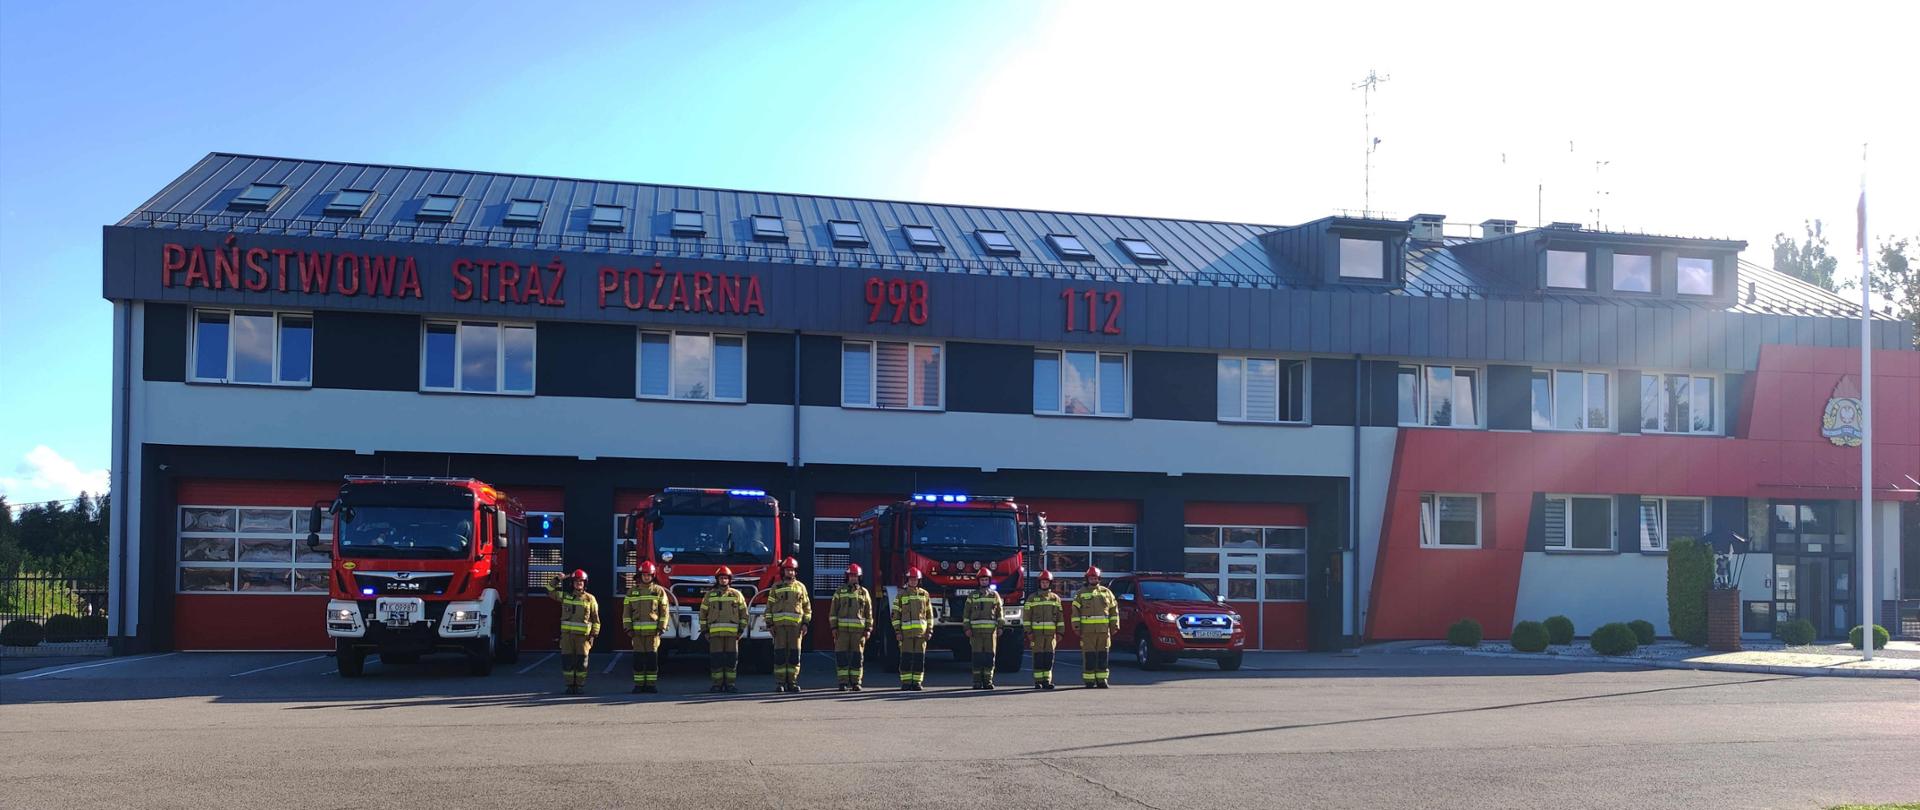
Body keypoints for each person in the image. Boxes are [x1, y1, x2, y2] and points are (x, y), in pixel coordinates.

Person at [545, 569, 599, 695]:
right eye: (576, 581)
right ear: (572, 583)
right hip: (567, 637)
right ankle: (570, 685)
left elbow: (596, 619)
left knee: (582, 663)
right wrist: (558, 579)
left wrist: (593, 635)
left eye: (581, 581)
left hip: (583, 638)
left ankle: (579, 686)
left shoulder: (590, 599)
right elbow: (549, 590)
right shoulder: (565, 596)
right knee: (567, 662)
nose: (578, 583)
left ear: (585, 583)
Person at [765, 557, 812, 692]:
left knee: (794, 655)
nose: (790, 573)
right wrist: (770, 624)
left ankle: (792, 682)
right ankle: (780, 682)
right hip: (779, 628)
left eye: (792, 570)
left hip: (796, 628)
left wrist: (805, 623)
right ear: (783, 571)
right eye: (787, 570)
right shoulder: (776, 587)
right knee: (780, 655)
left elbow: (807, 607)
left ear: (795, 572)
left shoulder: (800, 587)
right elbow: (769, 607)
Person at [624, 560, 671, 694]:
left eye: (648, 575)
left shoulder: (658, 591)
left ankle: (650, 685)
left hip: (653, 633)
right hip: (636, 633)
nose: (646, 577)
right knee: (638, 659)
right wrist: (628, 628)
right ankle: (639, 685)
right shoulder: (632, 592)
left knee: (651, 659)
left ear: (653, 576)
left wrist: (661, 627)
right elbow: (626, 612)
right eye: (644, 575)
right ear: (640, 576)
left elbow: (664, 611)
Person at [700, 566, 748, 692]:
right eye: (721, 578)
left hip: (733, 635)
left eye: (726, 578)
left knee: (731, 659)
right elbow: (703, 614)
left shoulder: (737, 595)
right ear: (717, 580)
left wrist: (741, 630)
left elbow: (744, 614)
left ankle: (730, 684)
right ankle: (717, 684)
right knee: (717, 660)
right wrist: (705, 631)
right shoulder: (709, 595)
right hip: (714, 634)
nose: (723, 580)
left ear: (729, 580)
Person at [1071, 566, 1118, 688]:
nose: (1093, 579)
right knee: (1089, 656)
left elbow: (1114, 610)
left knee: (1103, 655)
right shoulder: (1081, 594)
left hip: (1103, 631)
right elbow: (1075, 612)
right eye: (1091, 578)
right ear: (1087, 579)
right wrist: (1076, 627)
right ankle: (1089, 680)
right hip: (1087, 632)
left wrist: (1114, 626)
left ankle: (1102, 680)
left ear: (1099, 578)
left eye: (1095, 577)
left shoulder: (1106, 592)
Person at [830, 564, 873, 691]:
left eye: (855, 576)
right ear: (847, 577)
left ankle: (856, 682)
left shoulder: (864, 593)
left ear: (859, 578)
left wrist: (868, 629)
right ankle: (842, 682)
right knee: (841, 656)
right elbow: (833, 612)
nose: (853, 578)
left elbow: (868, 613)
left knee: (857, 657)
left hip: (858, 632)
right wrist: (834, 628)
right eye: (851, 576)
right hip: (842, 632)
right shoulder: (839, 592)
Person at [892, 567, 933, 691]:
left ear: (918, 580)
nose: (913, 581)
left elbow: (929, 615)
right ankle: (906, 682)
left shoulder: (924, 594)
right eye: (911, 579)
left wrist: (929, 630)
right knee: (906, 658)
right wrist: (898, 631)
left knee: (919, 659)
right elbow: (895, 615)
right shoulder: (901, 595)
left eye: (915, 579)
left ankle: (917, 682)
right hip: (906, 634)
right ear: (907, 580)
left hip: (921, 634)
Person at [963, 568, 1004, 690]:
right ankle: (976, 681)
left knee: (989, 657)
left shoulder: (994, 595)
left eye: (986, 579)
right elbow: (966, 614)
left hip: (991, 633)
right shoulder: (972, 596)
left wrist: (1001, 627)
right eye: (982, 579)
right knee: (977, 657)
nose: (984, 581)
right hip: (975, 633)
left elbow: (1000, 613)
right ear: (978, 581)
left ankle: (988, 681)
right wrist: (967, 628)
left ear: (989, 580)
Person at [1023, 570, 1063, 690]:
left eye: (1046, 582)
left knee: (1048, 658)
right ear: (1039, 583)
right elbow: (1026, 617)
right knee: (1038, 657)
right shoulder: (1032, 598)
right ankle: (1038, 681)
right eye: (1042, 582)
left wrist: (1060, 632)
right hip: (1036, 635)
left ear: (1050, 583)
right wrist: (1028, 631)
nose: (1044, 584)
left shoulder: (1055, 599)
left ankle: (1047, 680)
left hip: (1051, 636)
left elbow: (1060, 618)